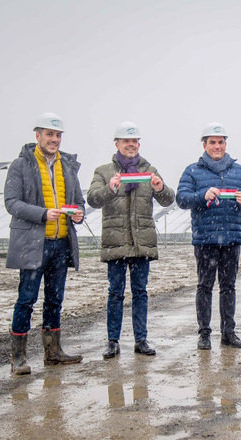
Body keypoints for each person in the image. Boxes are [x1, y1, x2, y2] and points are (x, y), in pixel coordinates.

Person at [5, 112, 85, 375]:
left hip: (61, 243)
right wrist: (41, 214)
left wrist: (79, 213)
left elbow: (79, 202)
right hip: (33, 243)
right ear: (37, 135)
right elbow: (12, 203)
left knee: (55, 299)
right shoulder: (21, 165)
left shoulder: (68, 166)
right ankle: (19, 358)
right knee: (26, 299)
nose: (54, 139)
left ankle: (53, 353)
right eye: (49, 134)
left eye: (58, 135)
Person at [87, 122, 175, 359]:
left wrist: (160, 187)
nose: (131, 145)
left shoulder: (149, 170)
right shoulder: (104, 172)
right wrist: (110, 188)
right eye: (126, 141)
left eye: (135, 141)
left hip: (141, 242)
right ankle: (113, 342)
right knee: (115, 292)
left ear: (139, 144)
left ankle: (141, 340)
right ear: (117, 144)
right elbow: (93, 199)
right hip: (116, 241)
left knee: (140, 291)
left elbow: (168, 199)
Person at [176, 122, 241, 350]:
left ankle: (228, 332)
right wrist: (202, 195)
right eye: (212, 142)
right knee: (204, 286)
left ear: (225, 144)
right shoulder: (193, 171)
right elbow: (181, 198)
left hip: (231, 238)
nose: (217, 146)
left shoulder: (239, 171)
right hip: (205, 239)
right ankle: (204, 333)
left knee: (228, 286)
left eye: (220, 142)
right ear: (204, 145)